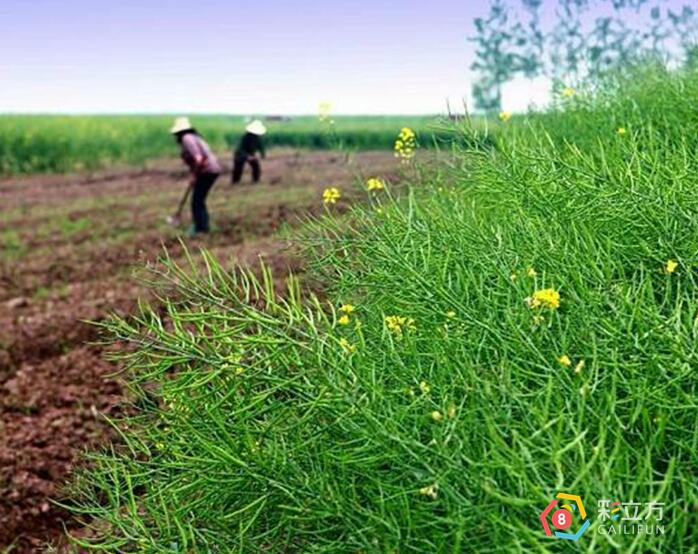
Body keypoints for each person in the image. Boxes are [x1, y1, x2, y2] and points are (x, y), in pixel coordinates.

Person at [170, 117, 221, 234]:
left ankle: (201, 228)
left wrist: (194, 174)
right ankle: (203, 225)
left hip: (207, 171)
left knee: (197, 201)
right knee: (199, 200)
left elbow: (198, 159)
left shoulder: (186, 138)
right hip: (212, 170)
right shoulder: (195, 137)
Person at [232, 119, 267, 184]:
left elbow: (261, 147)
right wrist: (247, 156)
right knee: (238, 169)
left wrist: (262, 155)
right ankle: (235, 182)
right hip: (240, 155)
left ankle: (256, 181)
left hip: (251, 154)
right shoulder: (245, 137)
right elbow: (240, 149)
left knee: (256, 167)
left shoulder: (258, 138)